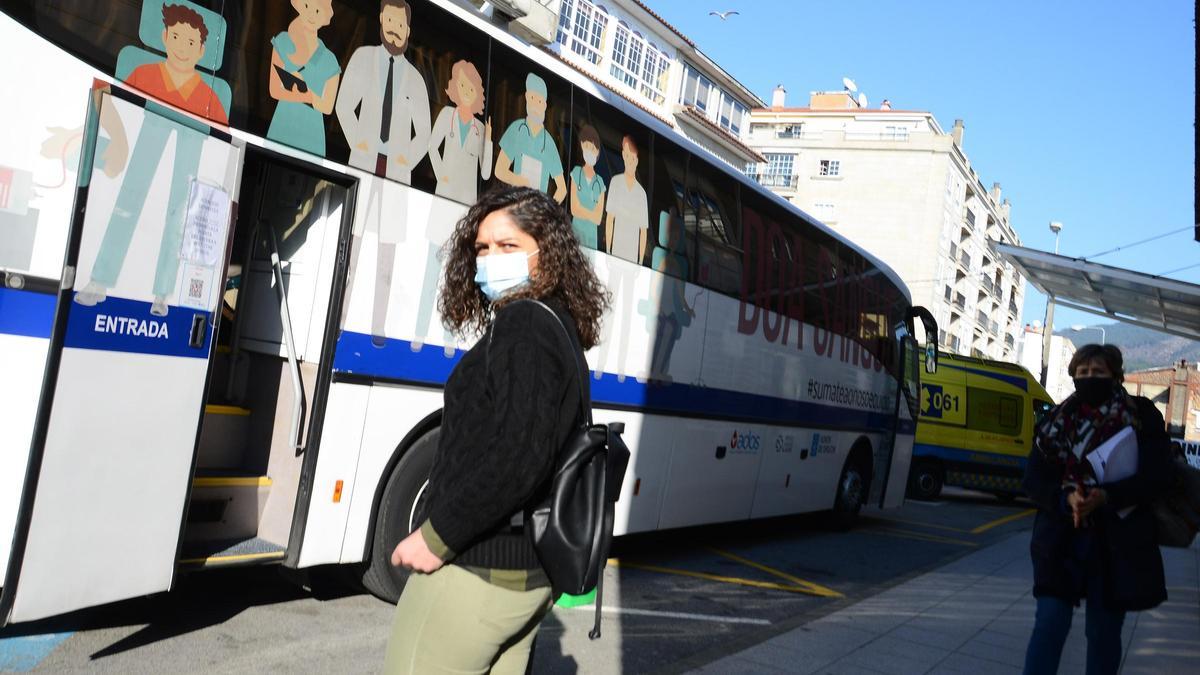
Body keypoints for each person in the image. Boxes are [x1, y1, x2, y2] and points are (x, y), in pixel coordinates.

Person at [384, 186, 609, 674]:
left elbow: (520, 456)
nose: (489, 259)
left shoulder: (524, 324)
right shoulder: (559, 326)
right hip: (527, 579)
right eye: (482, 248)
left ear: (546, 254)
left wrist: (436, 537)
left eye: (507, 246)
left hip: (474, 572)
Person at [1022, 343, 1172, 675]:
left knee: (1103, 634)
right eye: (1084, 372)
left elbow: (1158, 475)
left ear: (1116, 376)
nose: (1090, 378)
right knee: (1048, 626)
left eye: (1099, 372)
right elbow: (1034, 479)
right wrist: (1066, 500)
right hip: (1060, 541)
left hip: (1115, 546)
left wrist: (1106, 496)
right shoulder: (1056, 419)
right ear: (1074, 375)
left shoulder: (1141, 415)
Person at [74, 2, 226, 317]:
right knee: (126, 206)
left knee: (177, 220)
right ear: (164, 37)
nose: (182, 49)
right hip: (141, 159)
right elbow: (103, 92)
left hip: (184, 167)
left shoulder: (208, 96)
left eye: (191, 43)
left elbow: (223, 148)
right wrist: (116, 137)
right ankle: (100, 280)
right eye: (177, 38)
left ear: (201, 52)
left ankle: (162, 293)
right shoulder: (145, 74)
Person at [335, 0, 430, 346]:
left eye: (400, 24)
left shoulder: (417, 80)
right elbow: (344, 105)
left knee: (387, 254)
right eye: (389, 21)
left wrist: (407, 160)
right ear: (380, 21)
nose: (395, 29)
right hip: (363, 162)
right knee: (353, 243)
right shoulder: (363, 59)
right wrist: (358, 141)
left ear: (408, 30)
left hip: (395, 173)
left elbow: (425, 133)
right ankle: (340, 317)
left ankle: (378, 327)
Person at [266, 0, 341, 156]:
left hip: (312, 137)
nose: (311, 15)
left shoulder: (329, 60)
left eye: (318, 11)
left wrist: (305, 91)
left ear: (325, 17)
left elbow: (327, 107)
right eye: (307, 6)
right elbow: (274, 90)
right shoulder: (283, 41)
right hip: (282, 127)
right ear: (299, 5)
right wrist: (309, 96)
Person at [494, 73, 566, 204]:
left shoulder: (548, 142)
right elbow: (499, 169)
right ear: (527, 97)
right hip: (516, 205)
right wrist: (517, 180)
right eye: (533, 98)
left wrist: (547, 211)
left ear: (544, 105)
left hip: (536, 212)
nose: (536, 106)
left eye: (540, 101)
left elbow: (562, 189)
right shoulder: (516, 129)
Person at [428, 59, 492, 204]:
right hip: (445, 191)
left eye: (471, 89)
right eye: (463, 85)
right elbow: (432, 147)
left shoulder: (480, 128)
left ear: (477, 94)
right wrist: (441, 175)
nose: (466, 92)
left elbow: (486, 174)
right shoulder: (447, 114)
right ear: (456, 85)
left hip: (467, 198)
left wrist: (488, 141)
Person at [567, 124, 605, 249]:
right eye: (587, 146)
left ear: (598, 152)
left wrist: (583, 211)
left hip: (591, 241)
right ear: (582, 146)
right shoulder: (576, 173)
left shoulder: (600, 182)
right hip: (575, 236)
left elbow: (598, 218)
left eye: (593, 148)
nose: (590, 151)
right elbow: (574, 209)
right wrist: (590, 214)